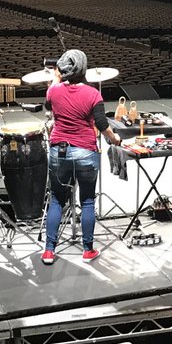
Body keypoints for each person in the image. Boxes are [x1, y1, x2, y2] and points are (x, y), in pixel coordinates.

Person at [41, 49, 122, 265]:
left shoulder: (54, 91)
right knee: (87, 201)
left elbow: (49, 106)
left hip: (60, 151)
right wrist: (115, 140)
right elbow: (102, 125)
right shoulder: (93, 94)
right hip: (86, 151)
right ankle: (87, 250)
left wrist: (56, 79)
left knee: (57, 200)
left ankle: (49, 251)